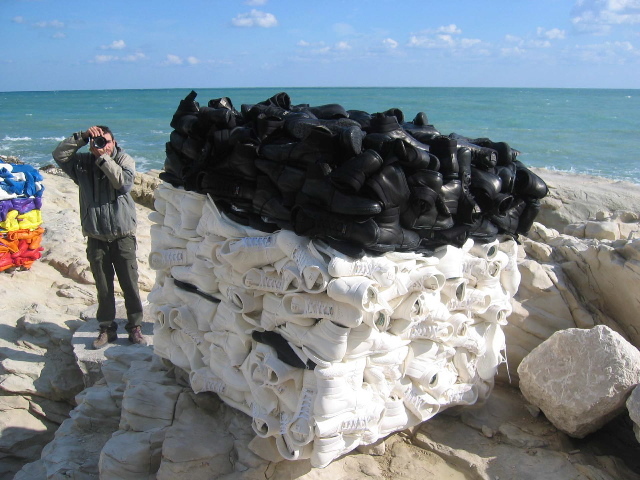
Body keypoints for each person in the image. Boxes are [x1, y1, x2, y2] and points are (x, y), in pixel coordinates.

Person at [52, 126, 146, 348]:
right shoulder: (83, 163)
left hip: (122, 234)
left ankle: (135, 327)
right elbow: (59, 155)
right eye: (98, 141)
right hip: (96, 235)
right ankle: (106, 328)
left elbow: (122, 183)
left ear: (114, 142)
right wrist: (82, 137)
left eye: (106, 141)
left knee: (130, 284)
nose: (103, 145)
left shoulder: (124, 159)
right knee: (103, 287)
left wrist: (104, 160)